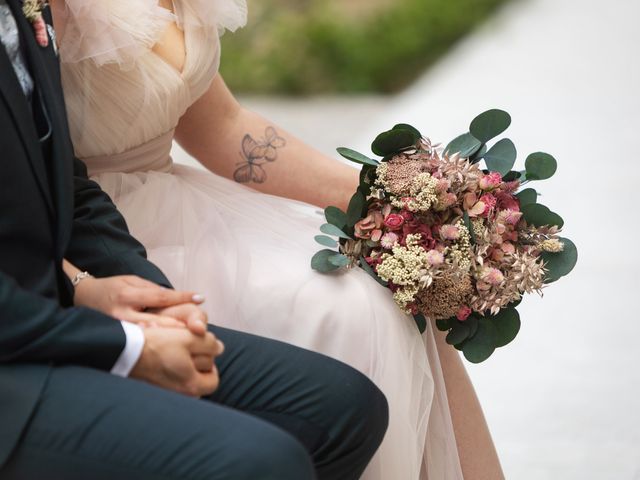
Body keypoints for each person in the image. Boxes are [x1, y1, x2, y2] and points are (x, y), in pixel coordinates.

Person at [52, 0, 504, 478]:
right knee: (343, 311)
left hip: (182, 199)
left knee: (388, 274)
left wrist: (393, 198)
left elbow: (222, 126)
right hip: (97, 234)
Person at [0, 0, 389, 478]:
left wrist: (145, 294)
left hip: (73, 277)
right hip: (22, 356)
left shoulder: (21, 10)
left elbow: (66, 178)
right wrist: (123, 342)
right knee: (273, 449)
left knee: (349, 403)